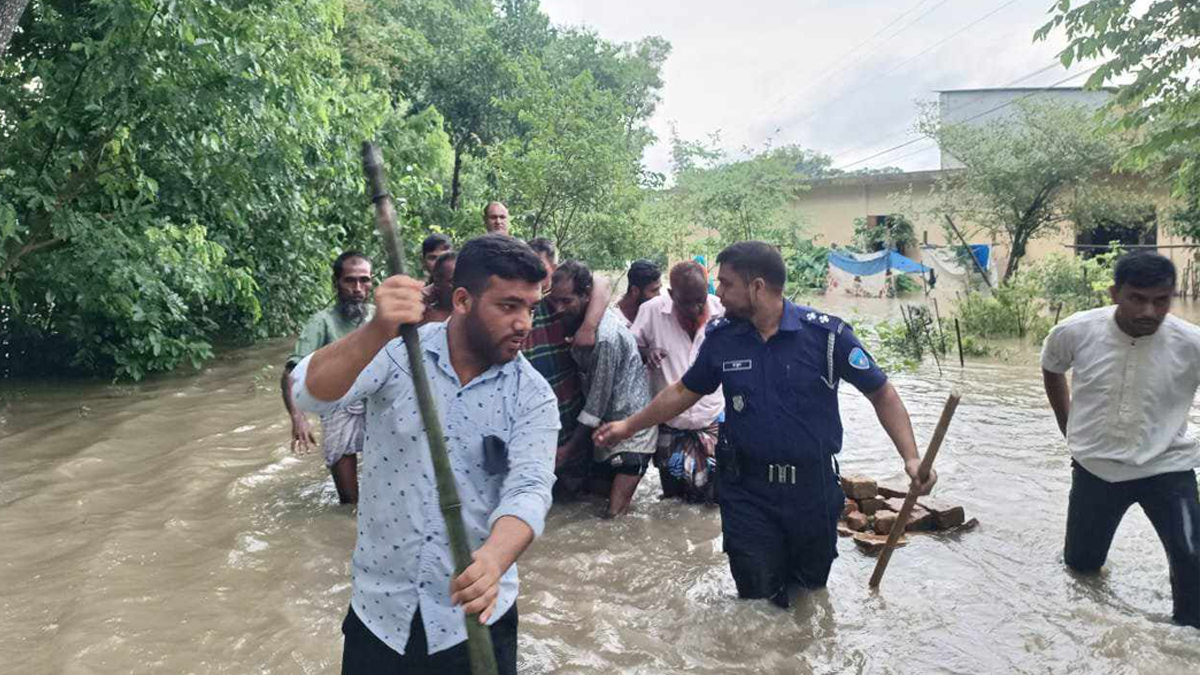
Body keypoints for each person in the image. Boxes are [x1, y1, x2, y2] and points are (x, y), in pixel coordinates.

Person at [595, 241, 935, 606]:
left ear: (756, 287)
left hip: (812, 493)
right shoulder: (723, 338)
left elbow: (881, 392)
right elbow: (683, 391)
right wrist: (629, 426)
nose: (718, 294)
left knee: (808, 596)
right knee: (756, 604)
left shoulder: (826, 337)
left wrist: (911, 458)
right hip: (747, 492)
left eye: (725, 284)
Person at [291, 234, 559, 673]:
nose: (524, 323)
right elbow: (308, 395)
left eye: (531, 308)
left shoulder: (532, 395)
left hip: (476, 620)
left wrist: (493, 558)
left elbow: (529, 489)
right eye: (509, 306)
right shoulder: (398, 353)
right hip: (380, 616)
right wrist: (377, 329)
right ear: (462, 300)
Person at [1041, 252, 1200, 629]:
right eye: (1137, 298)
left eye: (1161, 300)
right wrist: (1068, 427)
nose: (1149, 310)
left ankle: (1186, 644)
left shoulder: (1191, 344)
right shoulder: (1075, 332)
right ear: (1115, 293)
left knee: (1193, 559)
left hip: (1167, 467)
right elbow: (1052, 368)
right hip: (1096, 468)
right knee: (1081, 566)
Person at [548, 260, 657, 517]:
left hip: (633, 434)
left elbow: (595, 404)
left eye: (567, 301)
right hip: (605, 432)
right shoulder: (583, 323)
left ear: (586, 296)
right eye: (555, 301)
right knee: (593, 504)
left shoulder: (604, 338)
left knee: (613, 516)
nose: (558, 308)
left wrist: (567, 449)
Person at [281, 250, 375, 505]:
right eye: (350, 280)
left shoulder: (380, 318)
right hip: (338, 407)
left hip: (377, 406)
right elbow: (291, 373)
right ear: (336, 283)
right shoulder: (322, 322)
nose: (358, 288)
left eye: (364, 280)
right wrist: (298, 418)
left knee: (386, 487)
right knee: (349, 502)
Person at [631, 261, 724, 502]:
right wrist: (646, 352)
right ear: (671, 294)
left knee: (714, 501)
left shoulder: (723, 312)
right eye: (686, 302)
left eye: (700, 300)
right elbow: (631, 349)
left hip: (712, 421)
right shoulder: (651, 312)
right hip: (670, 426)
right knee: (672, 502)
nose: (695, 308)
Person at [615, 259, 662, 327]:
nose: (659, 295)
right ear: (635, 290)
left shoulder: (653, 313)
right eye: (654, 291)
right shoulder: (615, 321)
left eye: (659, 289)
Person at [420, 251, 456, 325]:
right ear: (437, 282)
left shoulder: (474, 310)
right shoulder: (422, 313)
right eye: (453, 281)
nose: (460, 285)